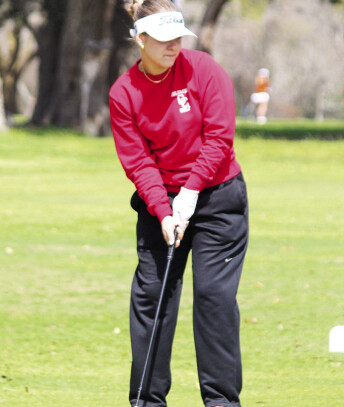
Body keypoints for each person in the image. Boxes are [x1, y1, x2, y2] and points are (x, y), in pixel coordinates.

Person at [108, 1, 249, 407]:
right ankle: (146, 401)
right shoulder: (124, 93)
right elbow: (137, 160)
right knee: (153, 297)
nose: (174, 47)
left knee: (213, 299)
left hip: (219, 197)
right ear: (141, 39)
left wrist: (189, 194)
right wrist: (163, 209)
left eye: (178, 38)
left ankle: (221, 402)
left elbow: (219, 138)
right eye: (165, 39)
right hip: (161, 204)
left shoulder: (204, 70)